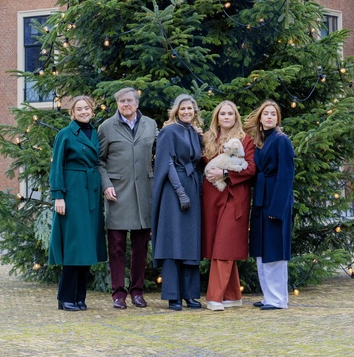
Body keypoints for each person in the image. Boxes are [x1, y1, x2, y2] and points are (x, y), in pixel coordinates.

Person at [97, 87, 158, 309]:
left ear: (137, 103)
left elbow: (160, 153)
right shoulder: (106, 127)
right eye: (122, 101)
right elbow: (99, 161)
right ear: (117, 104)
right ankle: (118, 294)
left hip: (144, 192)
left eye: (130, 100)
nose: (126, 104)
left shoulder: (150, 124)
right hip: (118, 193)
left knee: (141, 246)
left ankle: (137, 291)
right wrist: (106, 185)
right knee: (116, 246)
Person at [49, 95, 106, 311]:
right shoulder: (65, 134)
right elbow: (57, 166)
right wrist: (58, 196)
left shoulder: (95, 133)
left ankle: (80, 297)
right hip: (73, 193)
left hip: (91, 193)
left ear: (92, 110)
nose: (84, 112)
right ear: (72, 112)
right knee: (75, 245)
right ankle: (65, 298)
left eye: (87, 108)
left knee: (87, 246)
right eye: (79, 109)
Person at [202, 100, 256, 311]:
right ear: (217, 118)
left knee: (224, 245)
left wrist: (225, 173)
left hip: (235, 197)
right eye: (222, 114)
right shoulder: (207, 138)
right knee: (219, 245)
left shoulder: (245, 139)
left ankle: (215, 297)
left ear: (235, 117)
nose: (226, 117)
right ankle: (232, 295)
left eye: (230, 114)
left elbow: (250, 168)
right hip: (212, 198)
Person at [151, 93, 203, 311]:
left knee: (190, 242)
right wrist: (180, 192)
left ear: (194, 111)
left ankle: (190, 294)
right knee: (173, 241)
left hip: (193, 187)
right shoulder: (169, 131)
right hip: (173, 191)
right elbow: (167, 163)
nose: (186, 112)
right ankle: (173, 295)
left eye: (190, 109)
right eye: (183, 109)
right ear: (176, 111)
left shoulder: (195, 133)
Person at [244, 99, 295, 310]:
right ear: (260, 118)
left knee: (274, 249)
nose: (269, 117)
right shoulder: (260, 141)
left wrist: (277, 208)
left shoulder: (282, 141)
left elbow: (286, 175)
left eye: (273, 114)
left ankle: (278, 299)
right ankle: (268, 296)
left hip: (275, 198)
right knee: (261, 249)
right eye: (266, 114)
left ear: (278, 118)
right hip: (261, 199)